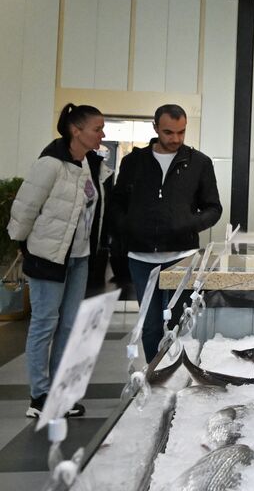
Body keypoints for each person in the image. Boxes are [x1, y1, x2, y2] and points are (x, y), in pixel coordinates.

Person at [7, 103, 110, 418]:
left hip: (80, 257)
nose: (102, 134)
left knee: (68, 326)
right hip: (47, 256)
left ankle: (60, 393)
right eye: (97, 128)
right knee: (44, 324)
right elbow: (25, 208)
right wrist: (23, 245)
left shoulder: (91, 164)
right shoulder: (51, 163)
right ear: (76, 130)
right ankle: (39, 395)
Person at [108, 104, 223, 362]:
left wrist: (188, 224)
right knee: (149, 328)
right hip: (141, 258)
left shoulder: (199, 163)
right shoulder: (133, 162)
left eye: (181, 132)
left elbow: (214, 208)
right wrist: (128, 227)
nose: (176, 139)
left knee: (178, 327)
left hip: (182, 258)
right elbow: (116, 203)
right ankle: (154, 376)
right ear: (156, 128)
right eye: (169, 132)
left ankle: (176, 377)